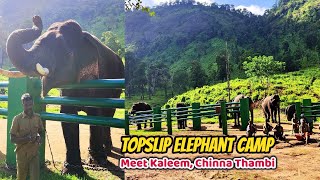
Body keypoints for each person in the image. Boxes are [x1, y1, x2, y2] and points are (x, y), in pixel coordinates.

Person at [10, 93, 44, 180]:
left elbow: (41, 131)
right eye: (26, 105)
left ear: (33, 103)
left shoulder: (37, 118)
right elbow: (12, 139)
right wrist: (26, 139)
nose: (28, 107)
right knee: (21, 177)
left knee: (35, 178)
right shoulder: (17, 119)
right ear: (22, 104)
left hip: (34, 153)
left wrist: (39, 137)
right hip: (22, 153)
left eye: (30, 104)